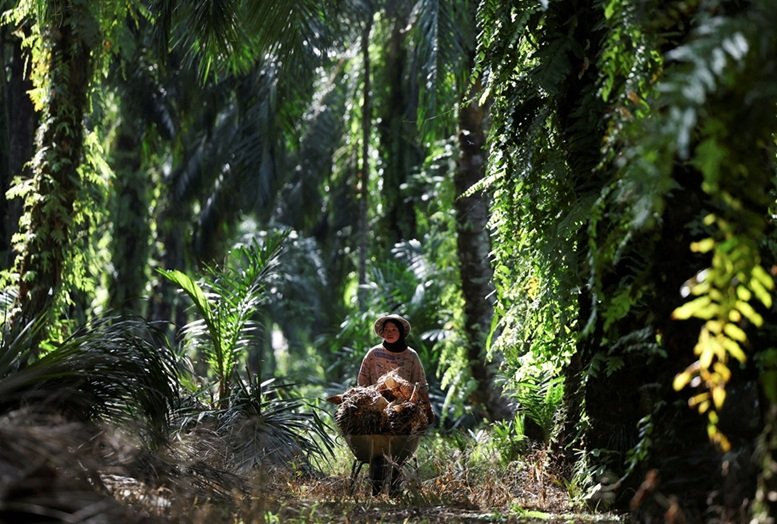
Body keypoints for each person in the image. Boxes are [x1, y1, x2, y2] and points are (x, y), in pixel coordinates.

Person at [357, 313, 434, 496]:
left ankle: (394, 489)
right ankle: (376, 490)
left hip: (404, 410)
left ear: (401, 332)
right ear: (382, 333)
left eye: (394, 329)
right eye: (387, 330)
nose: (390, 333)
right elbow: (362, 380)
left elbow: (420, 383)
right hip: (376, 407)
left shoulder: (411, 356)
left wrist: (427, 407)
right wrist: (368, 399)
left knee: (398, 449)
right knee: (377, 447)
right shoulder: (374, 354)